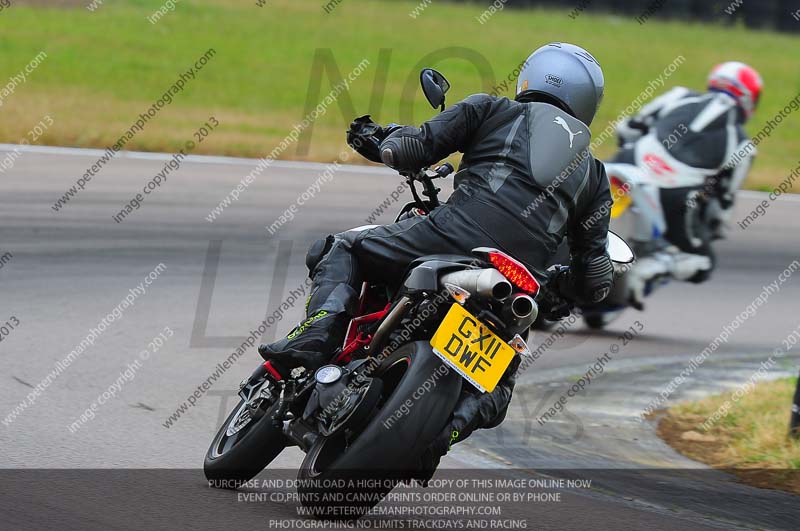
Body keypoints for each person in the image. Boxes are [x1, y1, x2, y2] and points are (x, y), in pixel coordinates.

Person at [259, 42, 613, 462]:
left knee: (345, 246)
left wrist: (380, 138)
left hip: (451, 236)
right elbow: (594, 280)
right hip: (520, 285)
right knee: (498, 386)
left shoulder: (493, 110)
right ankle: (440, 436)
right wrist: (558, 286)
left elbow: (413, 149)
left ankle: (320, 329)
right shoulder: (594, 174)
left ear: (532, 77)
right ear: (587, 102)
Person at [614, 62, 763, 306]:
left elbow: (627, 128)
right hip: (674, 195)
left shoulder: (679, 95)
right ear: (748, 98)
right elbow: (724, 202)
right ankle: (655, 265)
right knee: (704, 261)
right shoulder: (743, 146)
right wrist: (712, 229)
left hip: (628, 164)